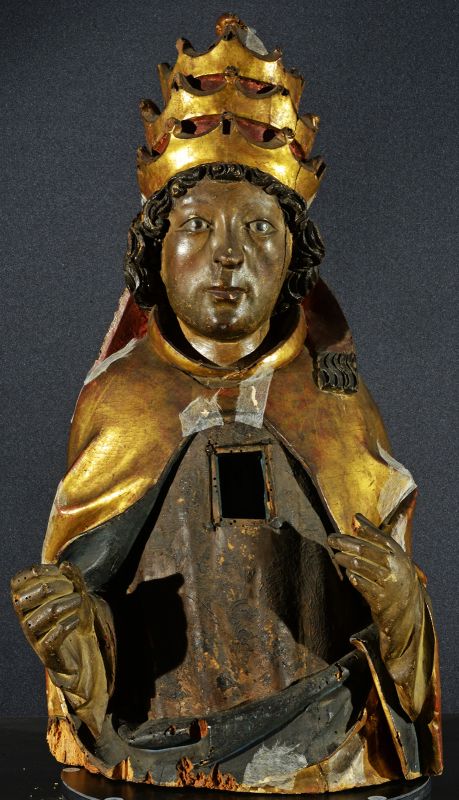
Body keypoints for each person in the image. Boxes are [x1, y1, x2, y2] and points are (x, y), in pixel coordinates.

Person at [11, 15, 442, 795]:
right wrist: (75, 643)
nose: (228, 255)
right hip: (157, 742)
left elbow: (394, 636)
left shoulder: (335, 400)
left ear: (294, 253)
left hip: (322, 735)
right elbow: (85, 614)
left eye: (258, 226)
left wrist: (401, 607)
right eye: (197, 225)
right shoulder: (123, 399)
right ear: (155, 248)